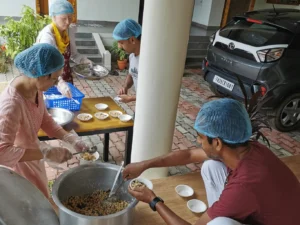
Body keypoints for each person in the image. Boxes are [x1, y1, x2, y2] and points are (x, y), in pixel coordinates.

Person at [124, 98, 300, 225]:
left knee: (221, 223)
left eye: (200, 138)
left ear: (216, 143)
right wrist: (144, 165)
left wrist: (154, 200)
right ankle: (216, 214)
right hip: (263, 209)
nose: (198, 142)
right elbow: (189, 155)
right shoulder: (246, 148)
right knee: (211, 166)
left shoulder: (244, 186)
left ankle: (216, 217)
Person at [0, 43, 89, 198]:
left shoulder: (35, 89)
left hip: (33, 159)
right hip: (16, 170)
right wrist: (46, 152)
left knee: (42, 199)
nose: (55, 84)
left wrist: (71, 139)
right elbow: (2, 152)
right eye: (54, 80)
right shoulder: (11, 105)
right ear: (38, 73)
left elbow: (44, 119)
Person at [36, 0, 93, 97]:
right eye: (64, 18)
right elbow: (46, 66)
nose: (67, 22)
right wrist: (59, 82)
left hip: (66, 78)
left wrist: (84, 60)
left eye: (70, 18)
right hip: (49, 81)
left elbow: (74, 54)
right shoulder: (47, 37)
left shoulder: (68, 31)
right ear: (53, 17)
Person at [113, 19, 141, 103]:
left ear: (132, 40)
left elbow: (152, 93)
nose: (119, 47)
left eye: (121, 43)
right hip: (140, 105)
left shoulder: (148, 60)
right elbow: (131, 74)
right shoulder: (132, 56)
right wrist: (125, 87)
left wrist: (130, 98)